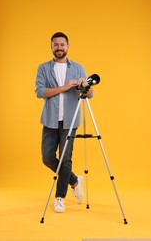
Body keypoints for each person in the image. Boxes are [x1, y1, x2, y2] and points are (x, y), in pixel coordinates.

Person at [35, 32, 94, 213]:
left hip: (70, 120)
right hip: (50, 119)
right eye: (56, 45)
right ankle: (75, 181)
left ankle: (59, 197)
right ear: (51, 47)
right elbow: (40, 92)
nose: (59, 48)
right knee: (47, 157)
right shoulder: (43, 68)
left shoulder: (78, 68)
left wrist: (87, 87)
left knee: (66, 159)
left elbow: (90, 95)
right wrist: (64, 87)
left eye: (62, 44)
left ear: (68, 46)